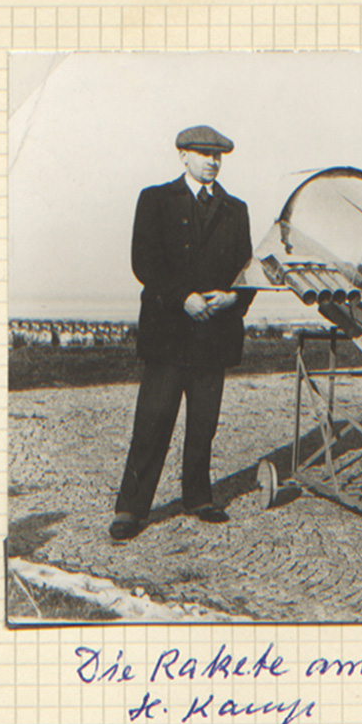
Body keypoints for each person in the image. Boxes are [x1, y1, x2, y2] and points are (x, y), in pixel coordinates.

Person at [110, 125, 254, 541]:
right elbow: (145, 263)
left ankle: (198, 498)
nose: (212, 161)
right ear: (182, 156)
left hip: (215, 333)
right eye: (203, 153)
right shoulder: (155, 200)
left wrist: (234, 300)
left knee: (203, 423)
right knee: (153, 421)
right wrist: (182, 297)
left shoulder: (235, 209)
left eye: (218, 155)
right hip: (169, 334)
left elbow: (246, 270)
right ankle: (131, 509)